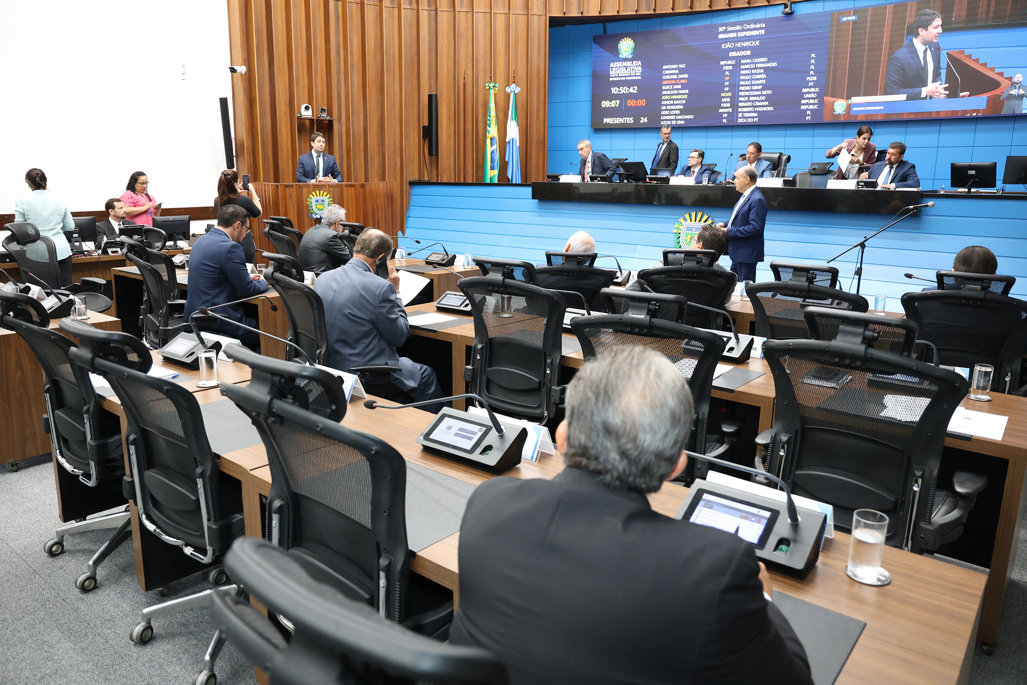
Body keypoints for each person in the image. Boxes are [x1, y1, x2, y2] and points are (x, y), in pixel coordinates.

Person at [449, 345, 812, 685]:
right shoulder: (715, 572)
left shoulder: (488, 502)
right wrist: (764, 599)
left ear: (562, 436)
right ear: (676, 466)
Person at [314, 228, 443, 406]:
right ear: (381, 259)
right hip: (366, 373)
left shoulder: (323, 279)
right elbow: (399, 337)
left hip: (331, 368)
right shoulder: (381, 287)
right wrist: (396, 291)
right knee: (427, 375)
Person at [184, 205, 269, 350]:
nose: (246, 234)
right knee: (270, 331)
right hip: (218, 318)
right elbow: (248, 289)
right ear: (237, 225)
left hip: (194, 316)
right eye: (247, 229)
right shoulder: (231, 248)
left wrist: (246, 277)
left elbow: (217, 275)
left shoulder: (200, 241)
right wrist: (263, 282)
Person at [13, 168, 74, 286]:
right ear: (45, 180)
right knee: (65, 290)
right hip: (61, 251)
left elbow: (19, 230)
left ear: (28, 182)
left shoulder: (22, 201)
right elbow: (70, 226)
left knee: (39, 291)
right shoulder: (60, 199)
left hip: (36, 254)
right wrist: (55, 230)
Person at [717, 165, 766, 282]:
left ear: (747, 179)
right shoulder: (746, 196)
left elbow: (755, 228)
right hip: (738, 252)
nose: (734, 181)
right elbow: (740, 219)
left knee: (744, 289)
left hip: (747, 253)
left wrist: (728, 231)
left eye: (737, 178)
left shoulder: (757, 199)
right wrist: (724, 224)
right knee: (734, 285)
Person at [885, 9, 947, 101]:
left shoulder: (935, 47)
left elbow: (937, 77)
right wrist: (924, 91)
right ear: (921, 31)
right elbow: (892, 92)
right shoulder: (899, 57)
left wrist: (944, 94)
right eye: (936, 27)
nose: (940, 30)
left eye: (940, 26)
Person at [214, 169, 260, 263]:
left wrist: (235, 191)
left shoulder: (217, 201)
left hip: (225, 241)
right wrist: (253, 192)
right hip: (243, 241)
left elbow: (230, 198)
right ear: (235, 185)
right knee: (245, 268)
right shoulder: (244, 200)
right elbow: (258, 213)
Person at [298, 204, 352, 274]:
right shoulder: (331, 236)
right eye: (343, 223)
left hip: (306, 277)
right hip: (321, 278)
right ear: (338, 222)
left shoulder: (311, 230)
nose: (343, 227)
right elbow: (350, 260)